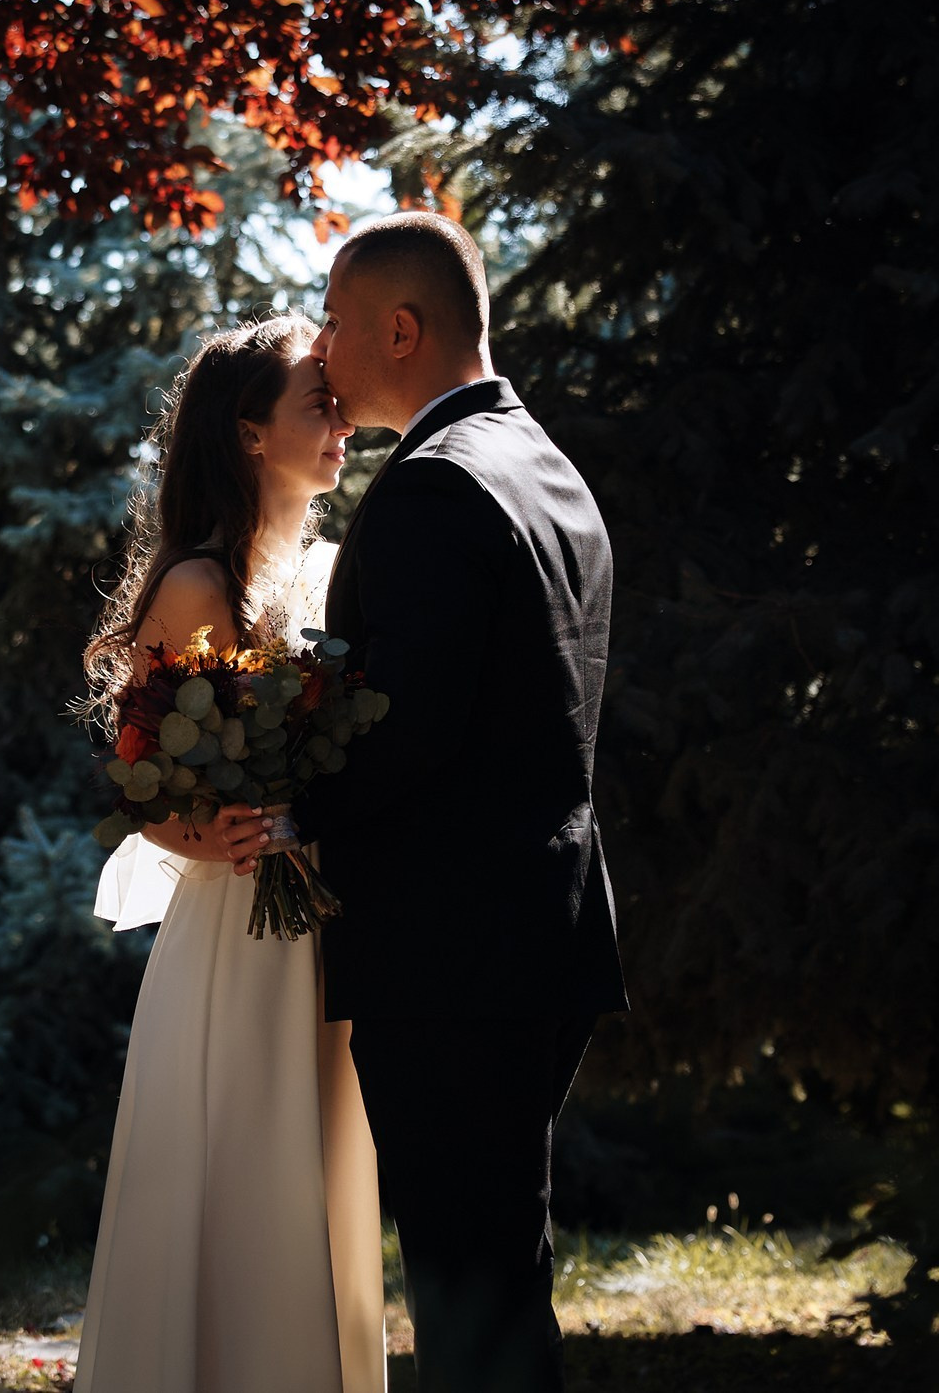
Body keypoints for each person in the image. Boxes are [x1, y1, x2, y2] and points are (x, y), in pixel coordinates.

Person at [270, 209, 630, 1393]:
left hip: (451, 952)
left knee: (469, 1299)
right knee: (498, 1276)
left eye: (332, 318)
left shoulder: (431, 488)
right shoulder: (546, 468)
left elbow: (407, 730)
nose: (320, 347)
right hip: (545, 927)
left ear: (401, 327)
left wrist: (284, 805)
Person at [74, 314, 387, 1393]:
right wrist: (197, 829)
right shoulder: (199, 587)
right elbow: (137, 780)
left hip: (324, 928)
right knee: (239, 1180)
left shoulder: (331, 574)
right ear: (252, 432)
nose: (343, 420)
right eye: (319, 400)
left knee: (317, 1179)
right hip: (236, 937)